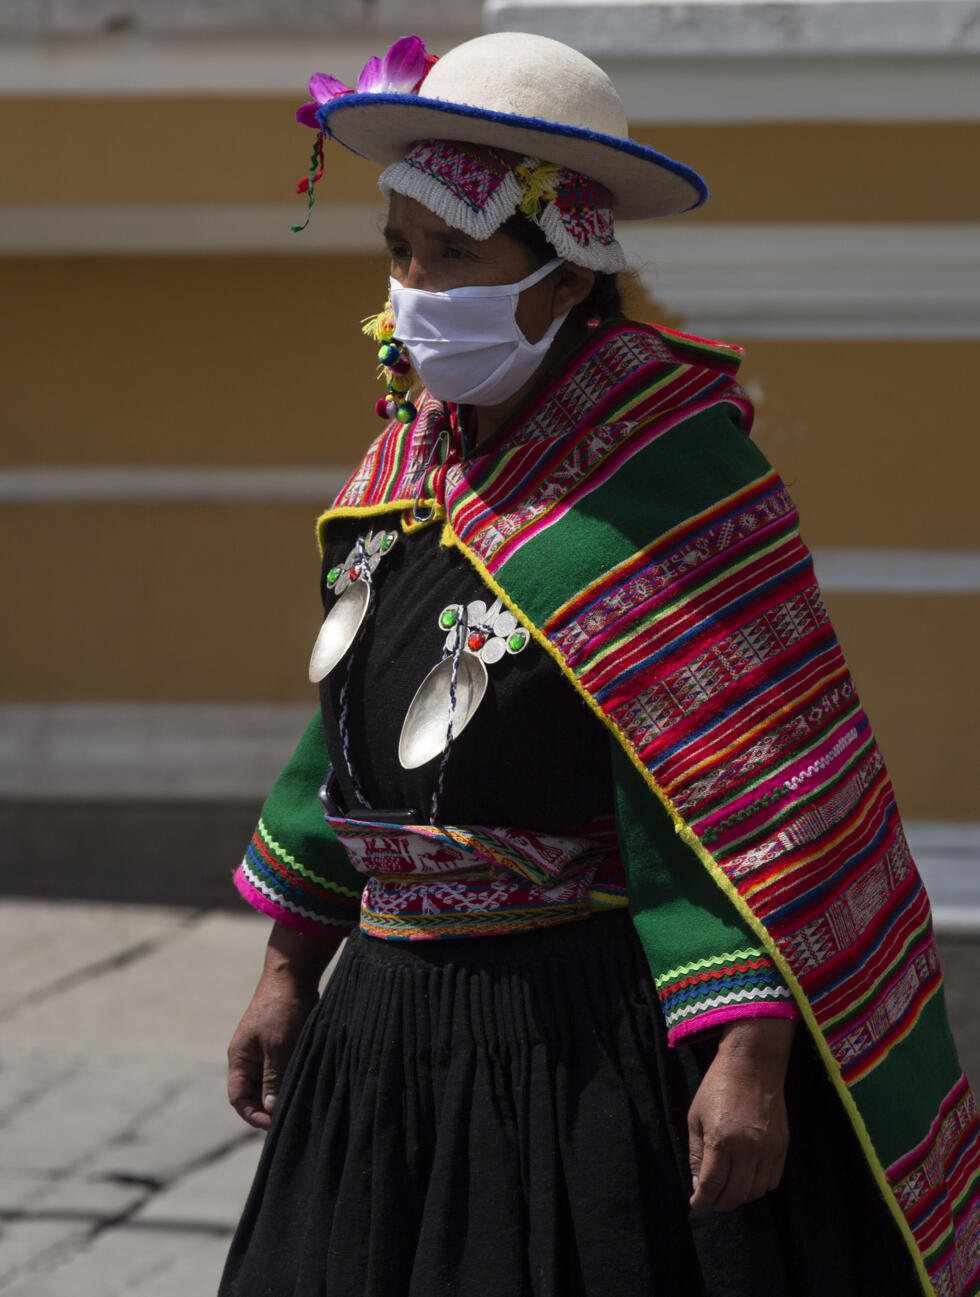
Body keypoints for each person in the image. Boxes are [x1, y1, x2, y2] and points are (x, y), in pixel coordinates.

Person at [219, 31, 979, 1297]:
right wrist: (289, 966)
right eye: (398, 251)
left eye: (453, 255)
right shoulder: (408, 461)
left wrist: (748, 1056)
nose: (412, 287)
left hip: (575, 1039)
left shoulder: (670, 476)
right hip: (382, 1030)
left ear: (564, 276)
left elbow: (753, 789)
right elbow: (348, 723)